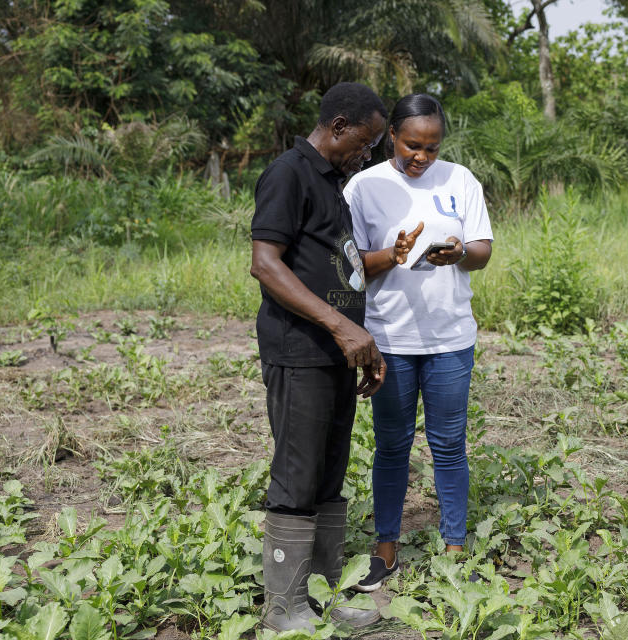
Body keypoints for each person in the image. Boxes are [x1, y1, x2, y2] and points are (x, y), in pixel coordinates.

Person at [250, 82, 388, 632]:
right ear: (337, 126)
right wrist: (339, 326)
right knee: (297, 475)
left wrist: (363, 340)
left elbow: (342, 269)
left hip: (335, 353)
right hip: (299, 350)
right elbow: (266, 263)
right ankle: (283, 608)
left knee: (329, 475)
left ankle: (321, 601)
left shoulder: (335, 183)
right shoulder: (289, 172)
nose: (368, 152)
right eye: (365, 141)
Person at [342, 93, 493, 592]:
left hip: (450, 337)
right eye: (412, 145)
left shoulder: (461, 179)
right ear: (392, 135)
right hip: (390, 337)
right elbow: (350, 266)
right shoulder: (364, 186)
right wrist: (393, 253)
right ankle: (385, 548)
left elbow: (483, 251)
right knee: (392, 446)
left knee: (449, 445)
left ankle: (454, 549)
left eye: (431, 148)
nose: (421, 157)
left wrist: (459, 253)